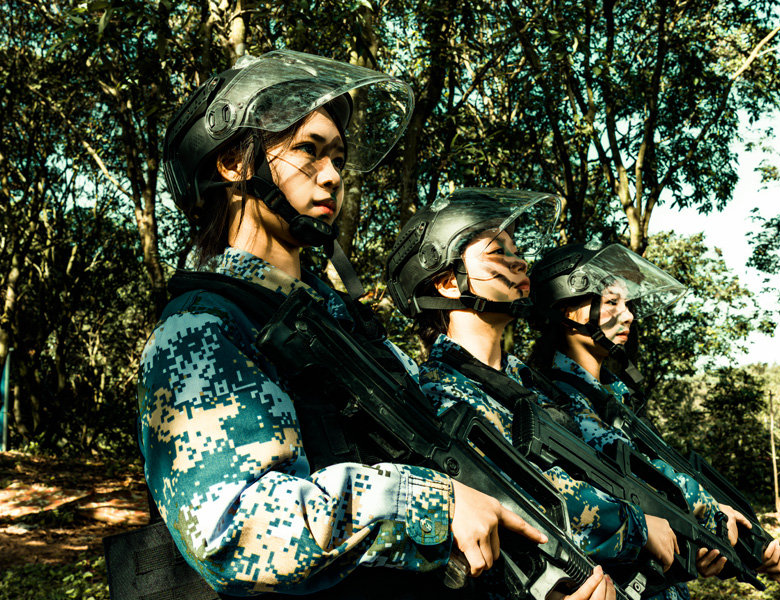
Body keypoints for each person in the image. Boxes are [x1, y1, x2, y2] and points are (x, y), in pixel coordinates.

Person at [140, 50, 564, 599]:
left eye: (338, 157)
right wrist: (429, 503)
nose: (333, 175)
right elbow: (233, 528)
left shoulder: (347, 326)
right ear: (232, 163)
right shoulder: (202, 328)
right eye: (308, 151)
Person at [384, 190, 688, 595]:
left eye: (516, 251)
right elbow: (524, 496)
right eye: (498, 252)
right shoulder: (439, 393)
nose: (520, 261)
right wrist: (636, 526)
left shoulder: (536, 387)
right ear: (448, 282)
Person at [528, 242, 780, 585]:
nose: (628, 316)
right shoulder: (553, 399)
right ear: (566, 309)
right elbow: (633, 489)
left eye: (628, 304)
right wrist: (717, 516)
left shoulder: (616, 398)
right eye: (612, 302)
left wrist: (744, 547)